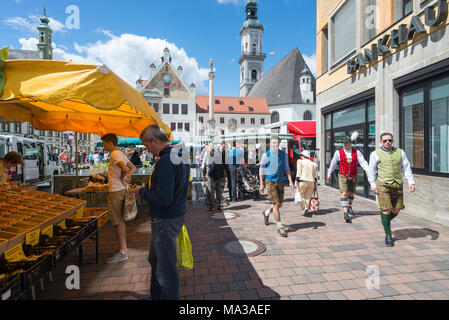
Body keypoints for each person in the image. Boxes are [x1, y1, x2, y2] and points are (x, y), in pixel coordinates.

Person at [131, 125, 189, 300]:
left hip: (165, 220)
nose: (146, 149)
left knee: (167, 273)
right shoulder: (179, 155)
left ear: (155, 141)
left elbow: (164, 198)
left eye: (147, 145)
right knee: (155, 260)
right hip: (173, 217)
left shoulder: (165, 161)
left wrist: (142, 192)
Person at [368, 132, 415, 247]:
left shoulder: (400, 152)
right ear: (380, 142)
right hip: (383, 184)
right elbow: (371, 170)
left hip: (397, 184)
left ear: (392, 141)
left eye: (389, 140)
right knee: (386, 209)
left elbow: (406, 167)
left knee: (397, 209)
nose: (387, 142)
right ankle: (388, 235)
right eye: (385, 141)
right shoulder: (375, 154)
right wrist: (373, 185)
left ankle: (385, 221)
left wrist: (411, 182)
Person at [102, 133, 136, 264]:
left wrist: (123, 177)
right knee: (120, 220)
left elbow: (124, 168)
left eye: (105, 143)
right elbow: (131, 167)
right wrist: (126, 177)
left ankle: (122, 251)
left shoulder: (114, 154)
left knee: (117, 221)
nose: (104, 145)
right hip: (120, 189)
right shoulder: (120, 153)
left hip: (116, 190)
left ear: (110, 142)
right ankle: (123, 249)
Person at [327, 135, 370, 223]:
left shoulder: (356, 152)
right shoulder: (338, 152)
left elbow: (363, 162)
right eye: (344, 142)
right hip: (342, 175)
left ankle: (349, 205)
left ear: (350, 143)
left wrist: (367, 170)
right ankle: (345, 212)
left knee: (351, 193)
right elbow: (333, 163)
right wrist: (329, 173)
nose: (344, 144)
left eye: (346, 142)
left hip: (353, 175)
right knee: (344, 193)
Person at [259, 137, 295, 238]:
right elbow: (261, 169)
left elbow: (287, 168)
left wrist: (291, 181)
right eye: (274, 142)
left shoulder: (283, 154)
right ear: (270, 143)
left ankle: (266, 212)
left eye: (277, 142)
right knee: (276, 204)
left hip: (280, 181)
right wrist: (261, 184)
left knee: (279, 204)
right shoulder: (266, 155)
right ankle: (280, 227)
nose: (276, 144)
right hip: (270, 181)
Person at [295, 150, 318, 216]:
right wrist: (315, 183)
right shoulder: (313, 164)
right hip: (311, 182)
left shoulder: (300, 162)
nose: (300, 157)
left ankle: (304, 208)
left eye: (301, 155)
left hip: (302, 181)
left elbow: (299, 171)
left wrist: (296, 180)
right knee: (308, 197)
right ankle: (306, 209)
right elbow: (314, 175)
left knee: (301, 196)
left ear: (303, 156)